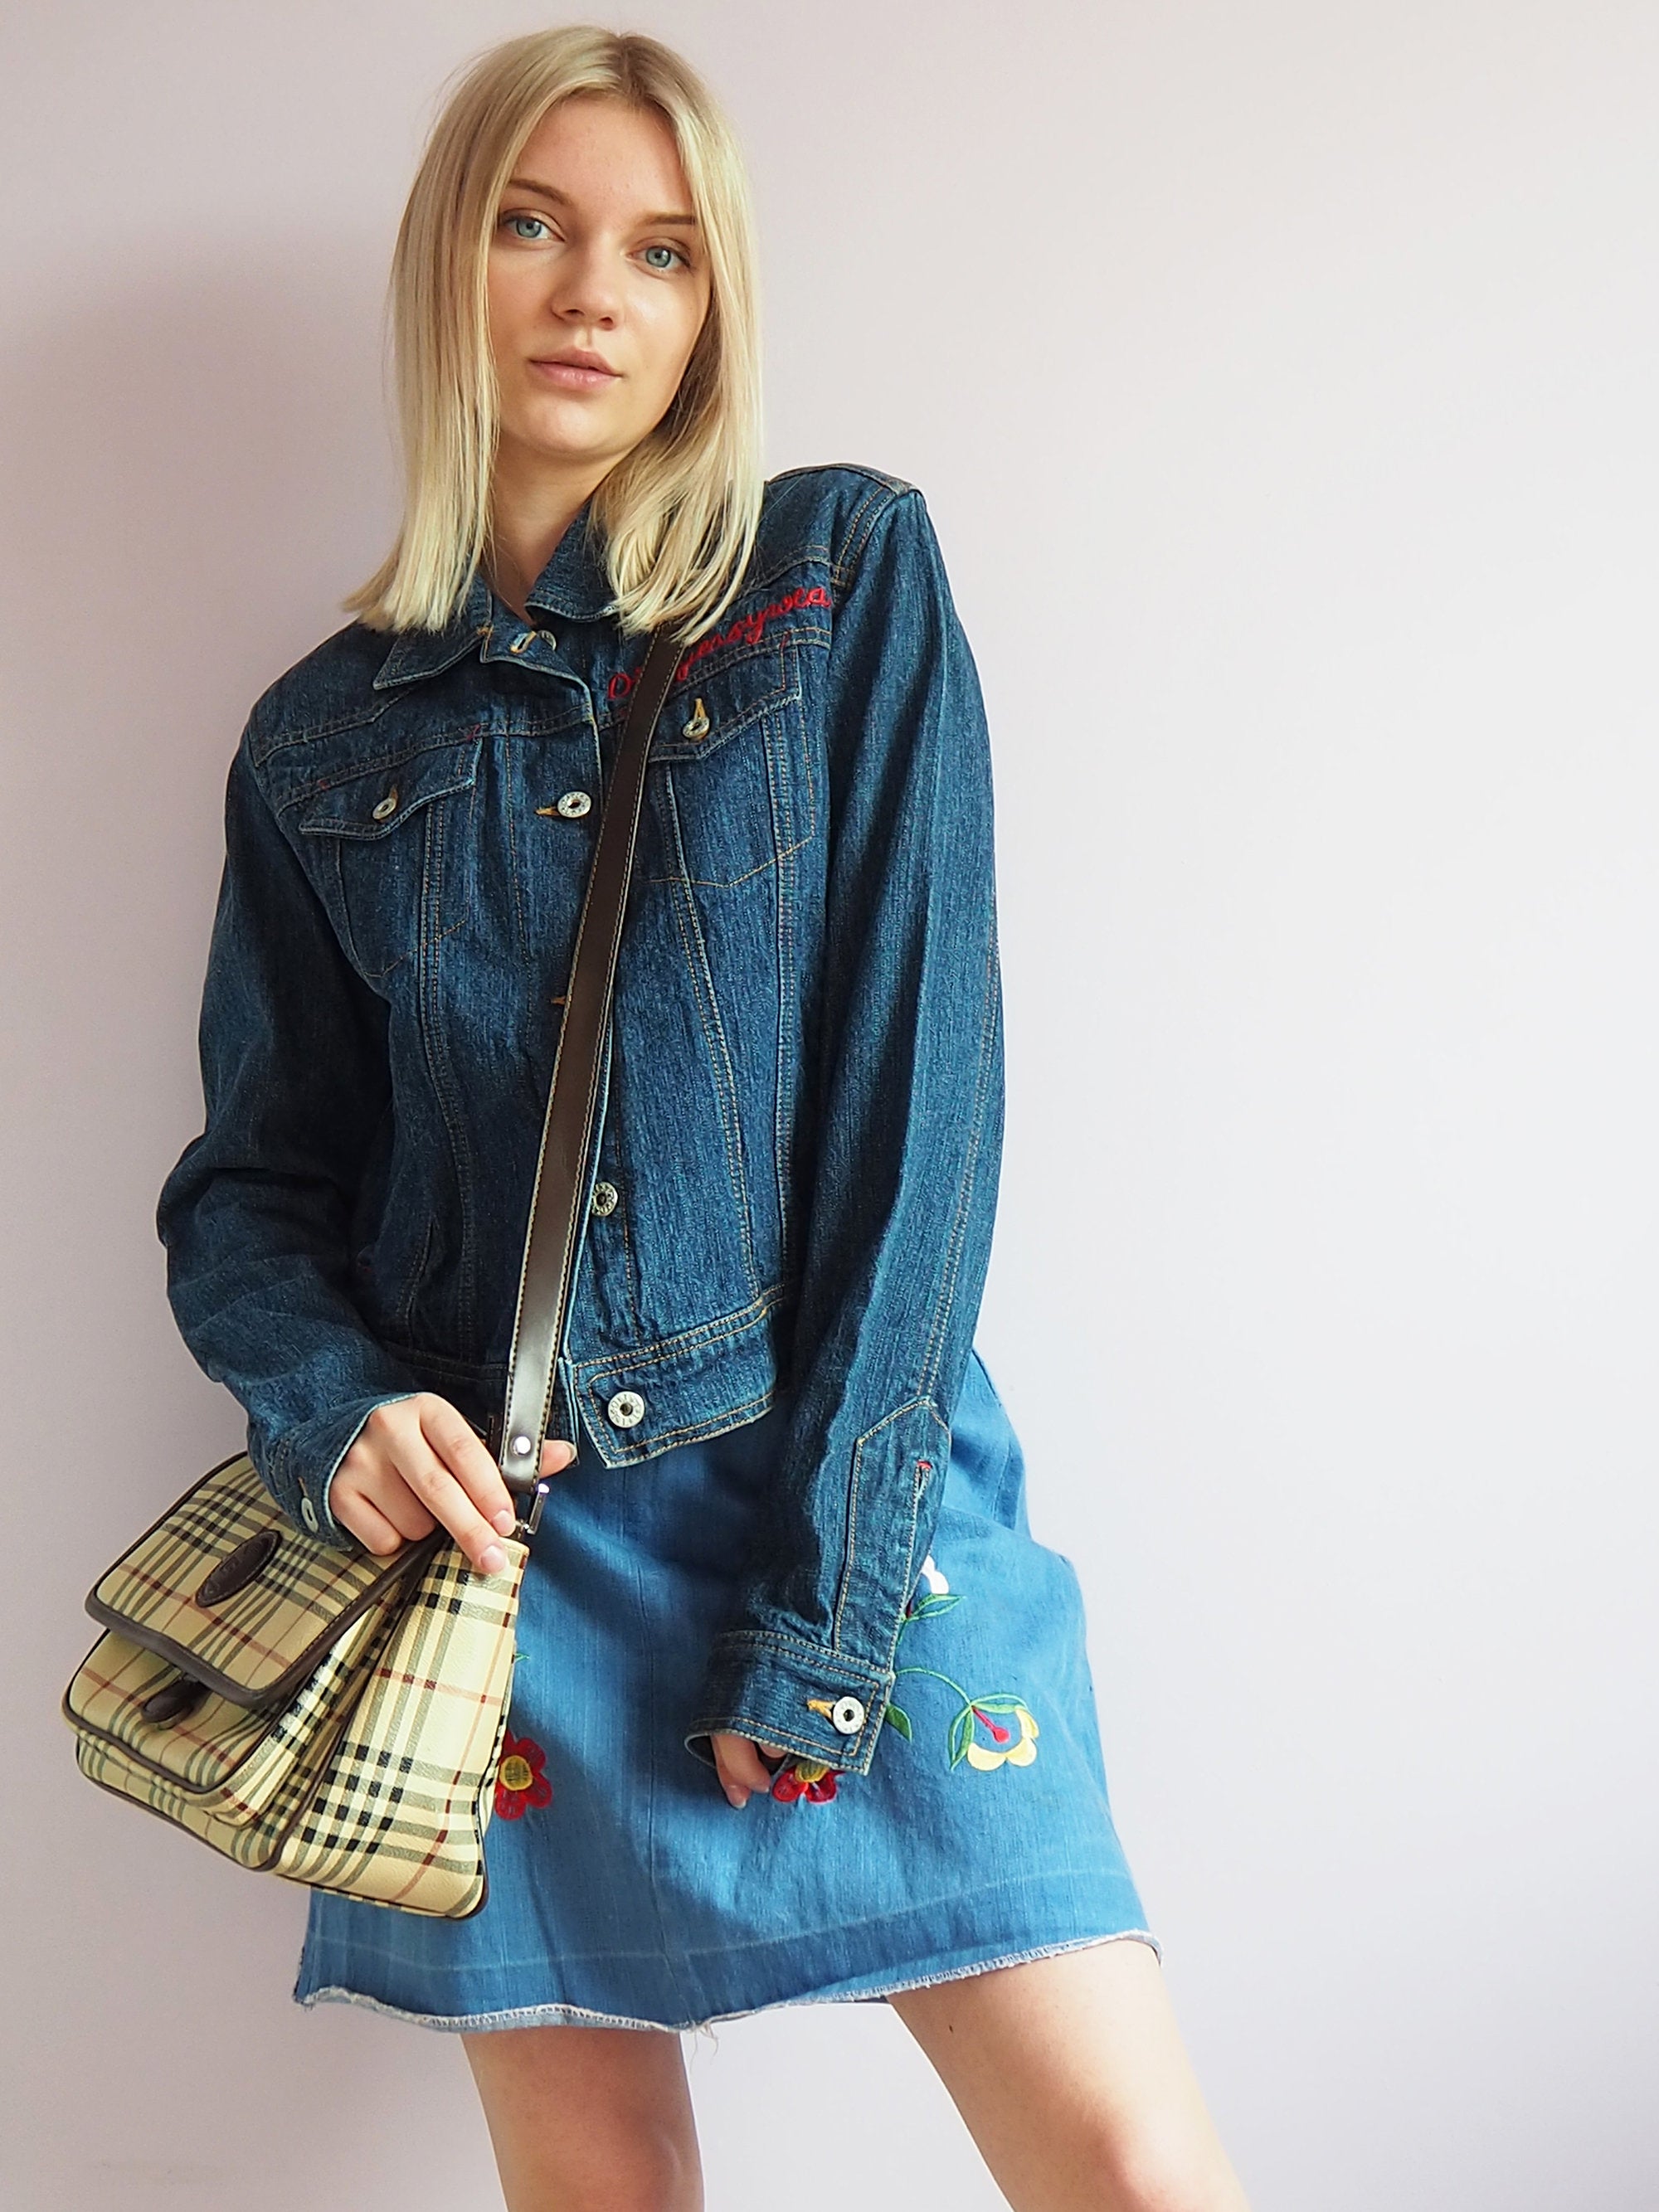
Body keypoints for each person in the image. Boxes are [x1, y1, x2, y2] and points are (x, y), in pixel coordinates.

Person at [154, 26, 1252, 2212]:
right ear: (441, 267)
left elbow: (919, 1112)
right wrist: (340, 1410)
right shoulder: (318, 741)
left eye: (660, 252)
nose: (591, 291)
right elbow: (253, 1193)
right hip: (510, 1556)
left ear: (708, 311)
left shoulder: (840, 584)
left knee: (1128, 2165)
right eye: (532, 225)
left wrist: (829, 1606)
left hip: (850, 1489)